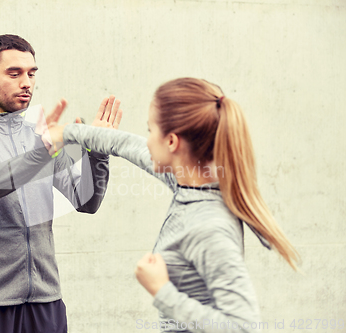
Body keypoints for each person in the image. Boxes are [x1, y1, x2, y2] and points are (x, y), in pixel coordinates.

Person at [48, 77, 299, 332]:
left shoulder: (209, 225)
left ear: (171, 142)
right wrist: (67, 133)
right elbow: (125, 144)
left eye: (150, 130)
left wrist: (162, 291)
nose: (147, 140)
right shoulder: (188, 183)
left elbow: (243, 327)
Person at [0, 34, 122, 333]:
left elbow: (86, 201)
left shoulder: (41, 134)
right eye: (15, 73)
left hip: (46, 302)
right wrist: (41, 155)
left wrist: (97, 151)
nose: (27, 82)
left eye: (32, 73)